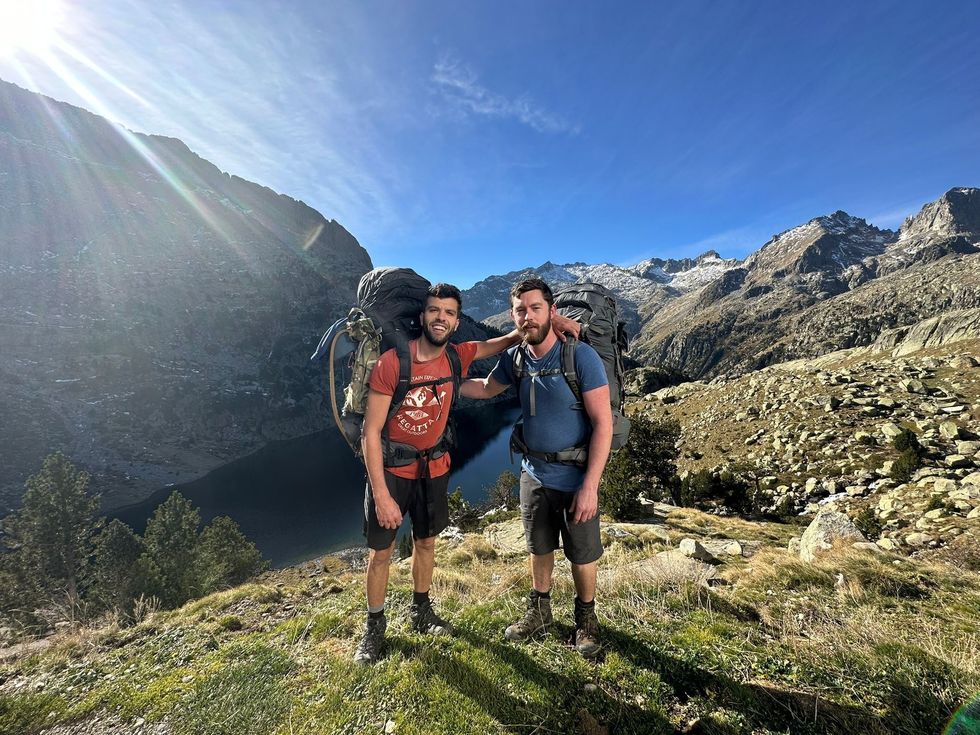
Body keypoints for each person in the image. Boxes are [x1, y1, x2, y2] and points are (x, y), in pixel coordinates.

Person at [354, 282, 577, 665]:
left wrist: (554, 321)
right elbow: (370, 432)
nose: (441, 318)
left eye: (449, 313)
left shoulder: (458, 356)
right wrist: (382, 494)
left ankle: (421, 611)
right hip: (393, 470)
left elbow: (509, 338)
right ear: (422, 316)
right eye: (434, 311)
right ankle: (374, 628)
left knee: (425, 543)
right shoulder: (394, 363)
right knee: (381, 553)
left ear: (457, 322)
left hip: (435, 468)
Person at [461, 277, 612, 659]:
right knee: (539, 546)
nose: (527, 317)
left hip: (575, 476)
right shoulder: (516, 359)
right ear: (513, 315)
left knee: (582, 553)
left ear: (551, 311)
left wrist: (590, 486)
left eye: (535, 308)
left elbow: (603, 423)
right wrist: (440, 382)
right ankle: (541, 611)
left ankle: (586, 620)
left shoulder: (579, 357)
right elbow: (486, 388)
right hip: (534, 473)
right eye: (520, 310)